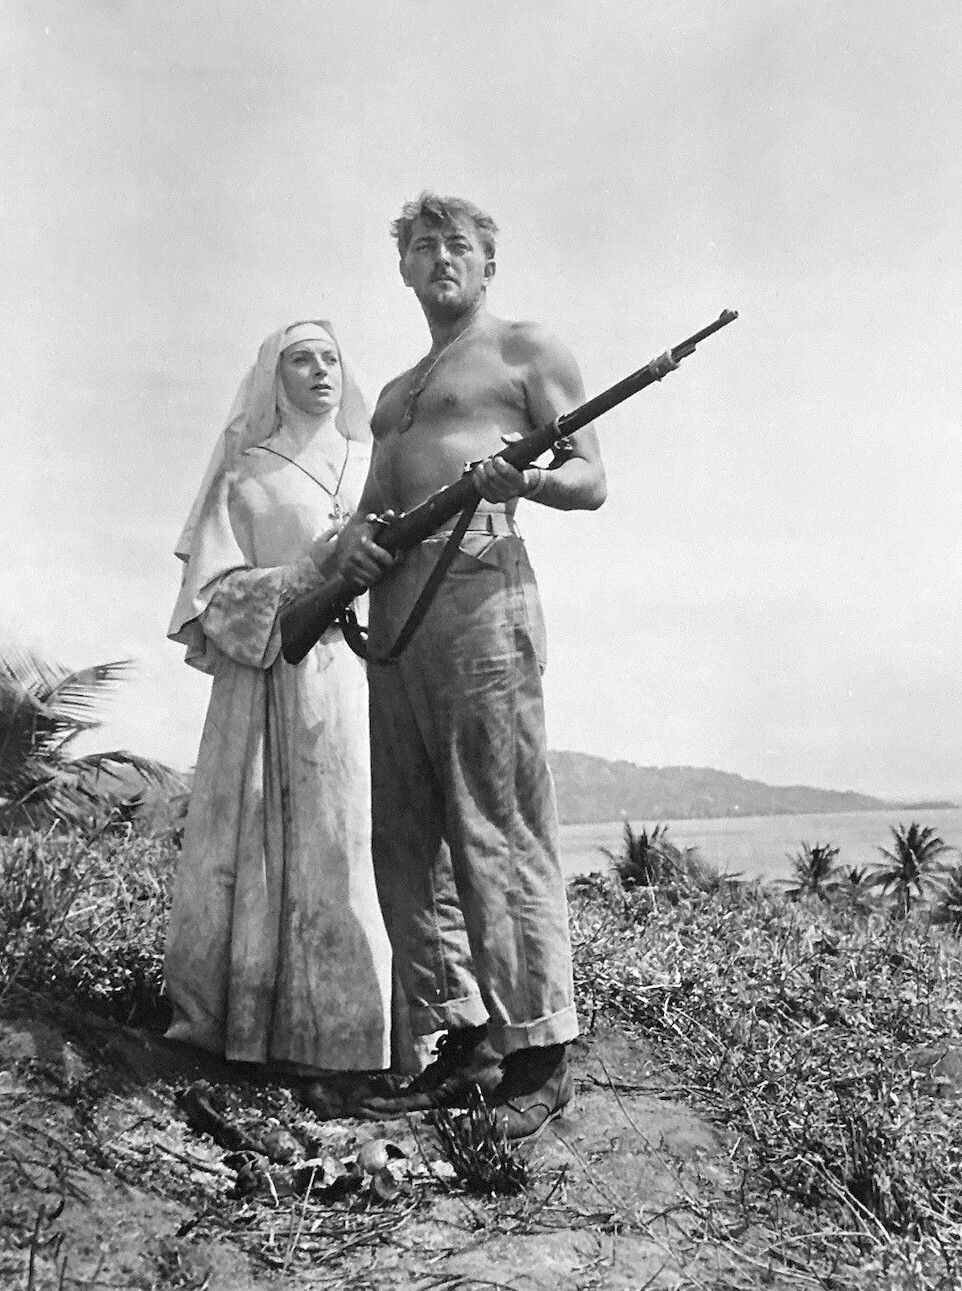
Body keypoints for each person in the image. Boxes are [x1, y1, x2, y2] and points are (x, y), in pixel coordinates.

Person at [333, 193, 606, 1140]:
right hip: (396, 611)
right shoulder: (394, 392)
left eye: (458, 244)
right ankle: (463, 1039)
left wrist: (526, 478)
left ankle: (539, 1053)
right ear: (403, 268)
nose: (440, 256)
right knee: (407, 834)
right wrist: (353, 547)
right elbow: (372, 507)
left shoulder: (526, 349)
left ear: (489, 263)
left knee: (498, 821)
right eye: (422, 244)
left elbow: (591, 479)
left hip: (481, 591)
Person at [164, 320, 398, 1086]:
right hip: (273, 681)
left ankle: (369, 1036)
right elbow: (213, 594)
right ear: (274, 377)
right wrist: (306, 574)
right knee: (278, 850)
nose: (321, 370)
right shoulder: (248, 475)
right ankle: (269, 1030)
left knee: (358, 845)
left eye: (330, 357)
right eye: (301, 359)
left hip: (368, 676)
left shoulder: (374, 461)